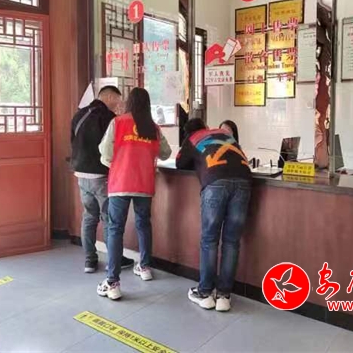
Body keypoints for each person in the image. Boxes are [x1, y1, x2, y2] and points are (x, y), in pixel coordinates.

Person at [97, 87, 171, 300]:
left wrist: (117, 164)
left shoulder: (118, 122)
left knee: (115, 229)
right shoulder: (153, 128)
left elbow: (105, 152)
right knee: (143, 224)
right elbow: (166, 153)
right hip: (144, 184)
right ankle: (145, 267)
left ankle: (112, 283)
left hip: (120, 183)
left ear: (129, 102)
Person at [176, 118, 252, 312]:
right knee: (232, 241)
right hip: (244, 182)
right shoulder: (224, 134)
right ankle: (224, 296)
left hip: (216, 182)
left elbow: (179, 163)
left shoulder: (193, 139)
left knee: (210, 240)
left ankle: (205, 293)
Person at [71, 85, 134, 274]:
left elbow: (73, 142)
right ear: (109, 97)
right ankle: (115, 259)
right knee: (108, 218)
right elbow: (114, 147)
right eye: (117, 100)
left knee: (89, 216)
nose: (119, 104)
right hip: (101, 176)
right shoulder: (109, 118)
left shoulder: (79, 115)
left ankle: (89, 261)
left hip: (81, 174)